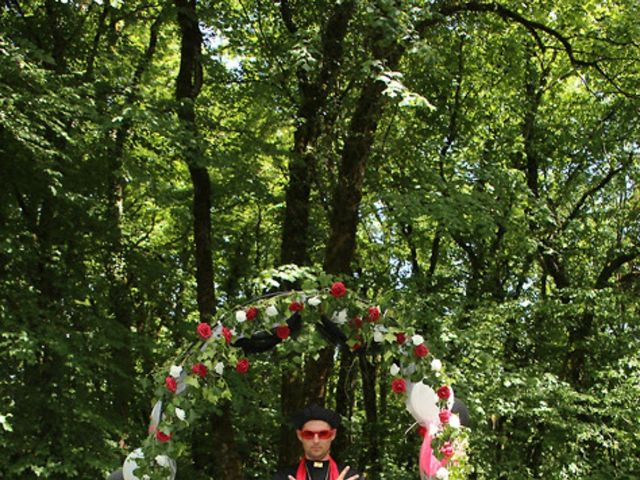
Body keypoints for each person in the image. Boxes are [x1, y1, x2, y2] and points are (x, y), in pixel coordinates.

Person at [272, 404, 361, 480]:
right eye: (308, 434)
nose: (316, 441)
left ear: (333, 435)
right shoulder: (284, 477)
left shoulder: (351, 477)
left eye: (323, 434)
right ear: (299, 435)